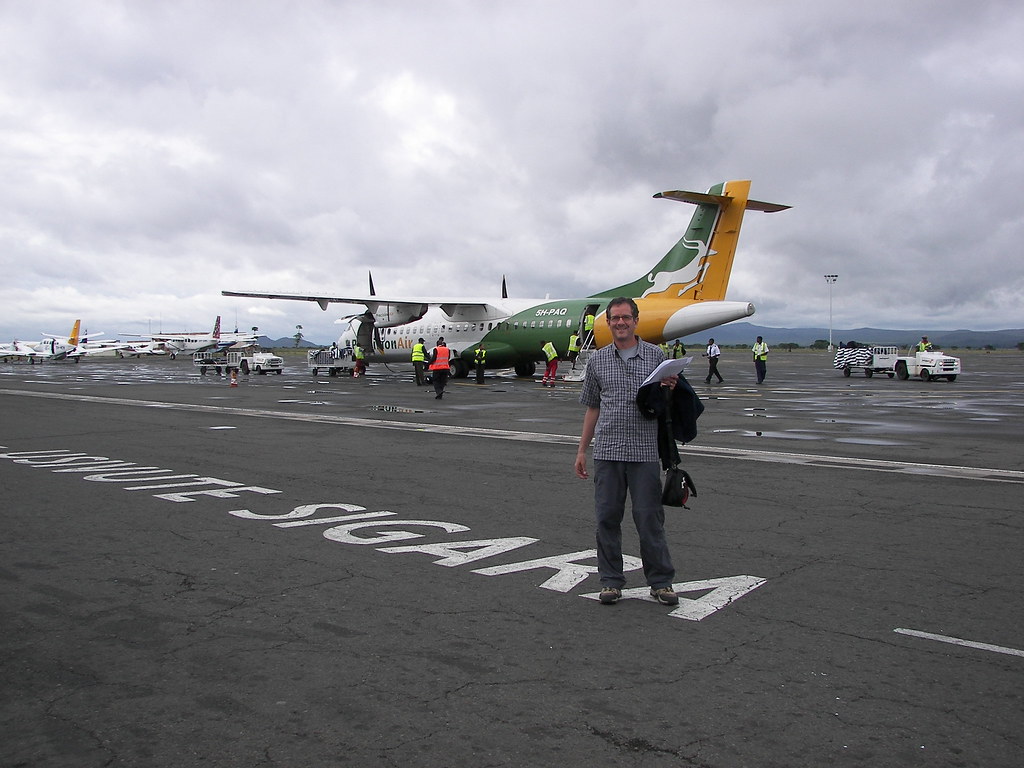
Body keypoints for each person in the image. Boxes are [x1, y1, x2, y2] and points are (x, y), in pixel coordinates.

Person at [574, 297, 680, 607]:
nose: (620, 323)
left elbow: (664, 404)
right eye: (615, 318)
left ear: (635, 320)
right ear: (608, 323)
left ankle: (661, 582)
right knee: (607, 518)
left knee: (649, 519)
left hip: (644, 451)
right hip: (607, 450)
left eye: (625, 318)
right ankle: (610, 581)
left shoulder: (655, 356)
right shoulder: (597, 360)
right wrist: (582, 450)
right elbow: (593, 407)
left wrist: (670, 387)